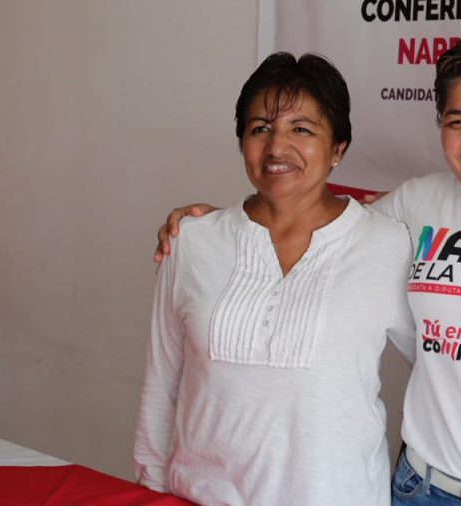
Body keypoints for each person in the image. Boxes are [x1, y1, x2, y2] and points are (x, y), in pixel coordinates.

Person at [153, 33, 461, 506]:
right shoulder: (416, 204)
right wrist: (220, 226)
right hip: (423, 489)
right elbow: (318, 223)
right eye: (457, 121)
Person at [134, 52, 415, 505]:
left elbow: (442, 372)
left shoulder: (389, 244)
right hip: (201, 496)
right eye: (260, 128)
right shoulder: (192, 242)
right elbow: (161, 385)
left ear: (338, 148)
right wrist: (149, 488)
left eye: (301, 129)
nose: (276, 147)